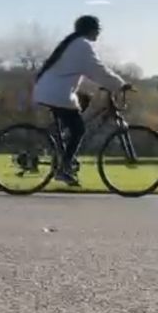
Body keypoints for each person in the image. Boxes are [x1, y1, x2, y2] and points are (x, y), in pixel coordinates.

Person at [33, 15, 129, 186]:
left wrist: (98, 88)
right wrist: (120, 85)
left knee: (84, 101)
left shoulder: (75, 43)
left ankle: (60, 142)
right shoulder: (82, 46)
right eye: (98, 29)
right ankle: (64, 168)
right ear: (90, 29)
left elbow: (83, 73)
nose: (99, 33)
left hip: (53, 90)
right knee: (79, 129)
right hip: (56, 93)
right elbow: (97, 69)